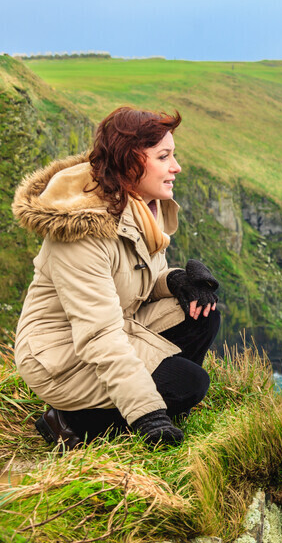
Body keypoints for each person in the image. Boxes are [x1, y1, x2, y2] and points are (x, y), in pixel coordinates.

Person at [12, 107, 220, 449]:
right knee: (189, 384)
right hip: (62, 356)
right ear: (131, 162)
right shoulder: (82, 232)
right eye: (164, 156)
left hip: (117, 324)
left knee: (201, 313)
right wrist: (147, 413)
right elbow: (98, 335)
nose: (176, 167)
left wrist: (178, 281)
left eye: (174, 155)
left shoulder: (140, 207)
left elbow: (136, 281)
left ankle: (156, 399)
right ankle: (69, 420)